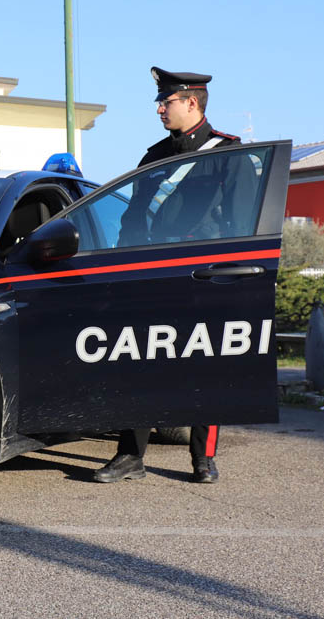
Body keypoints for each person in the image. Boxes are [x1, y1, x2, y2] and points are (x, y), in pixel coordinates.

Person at [93, 66, 245, 486]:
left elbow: (241, 224)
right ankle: (130, 456)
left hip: (204, 277)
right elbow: (133, 216)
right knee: (139, 361)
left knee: (205, 367)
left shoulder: (228, 155)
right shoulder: (154, 155)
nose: (160, 108)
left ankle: (203, 458)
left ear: (191, 102)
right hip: (153, 276)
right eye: (160, 101)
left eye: (167, 101)